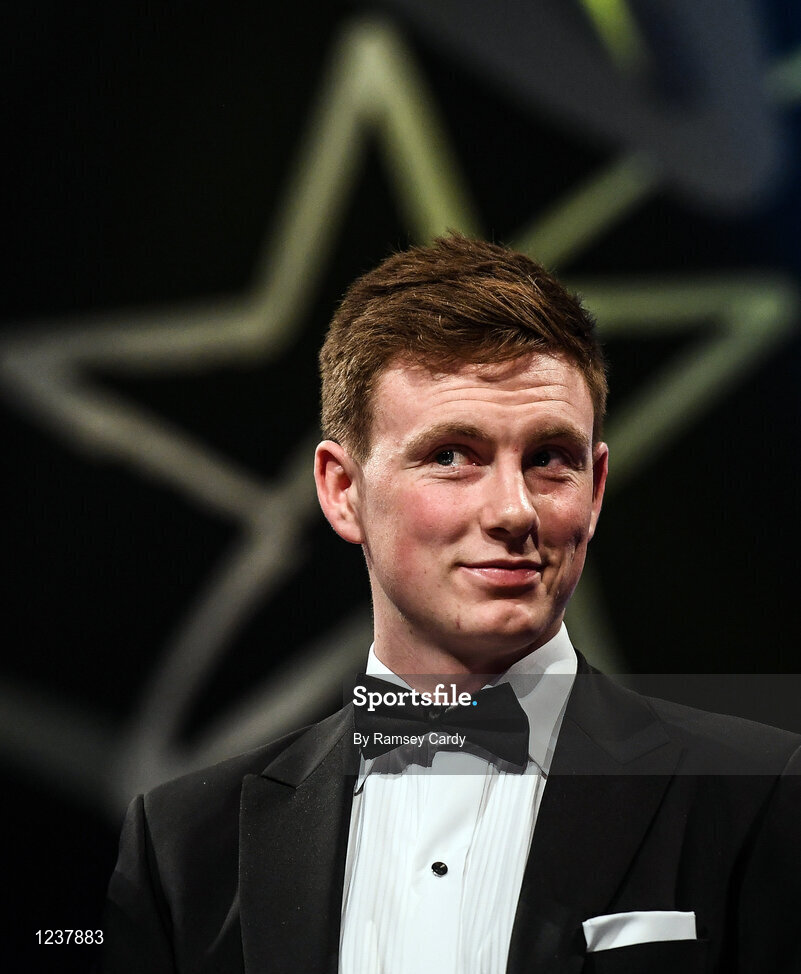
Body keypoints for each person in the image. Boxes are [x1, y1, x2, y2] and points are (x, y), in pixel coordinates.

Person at [100, 235, 800, 973]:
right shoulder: (183, 847)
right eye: (450, 455)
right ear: (342, 490)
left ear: (593, 491)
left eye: (547, 458)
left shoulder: (758, 797)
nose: (512, 510)